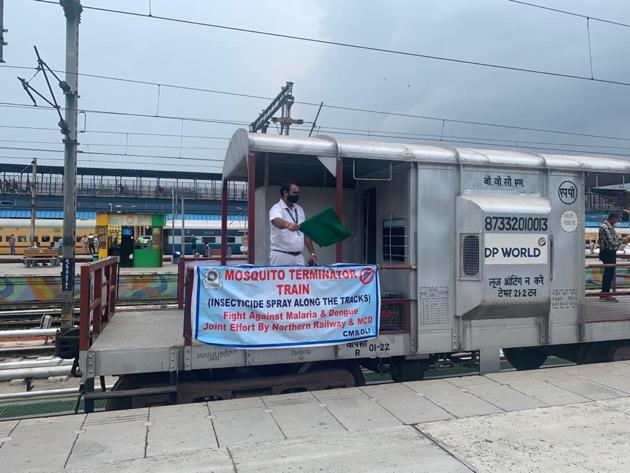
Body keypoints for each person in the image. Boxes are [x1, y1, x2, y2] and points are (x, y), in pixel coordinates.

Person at [269, 183, 317, 266]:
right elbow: (276, 220)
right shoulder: (276, 208)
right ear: (285, 193)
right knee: (280, 280)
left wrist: (312, 254)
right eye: (294, 193)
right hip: (281, 256)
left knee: (301, 279)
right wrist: (288, 225)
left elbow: (305, 233)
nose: (297, 195)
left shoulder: (299, 209)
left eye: (298, 193)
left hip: (299, 257)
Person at [599, 213, 621, 302]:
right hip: (608, 253)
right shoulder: (605, 227)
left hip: (609, 252)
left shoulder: (610, 228)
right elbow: (611, 241)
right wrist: (620, 242)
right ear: (612, 218)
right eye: (616, 219)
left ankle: (604, 294)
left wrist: (619, 241)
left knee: (609, 274)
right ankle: (605, 295)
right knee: (608, 274)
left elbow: (615, 239)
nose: (617, 222)